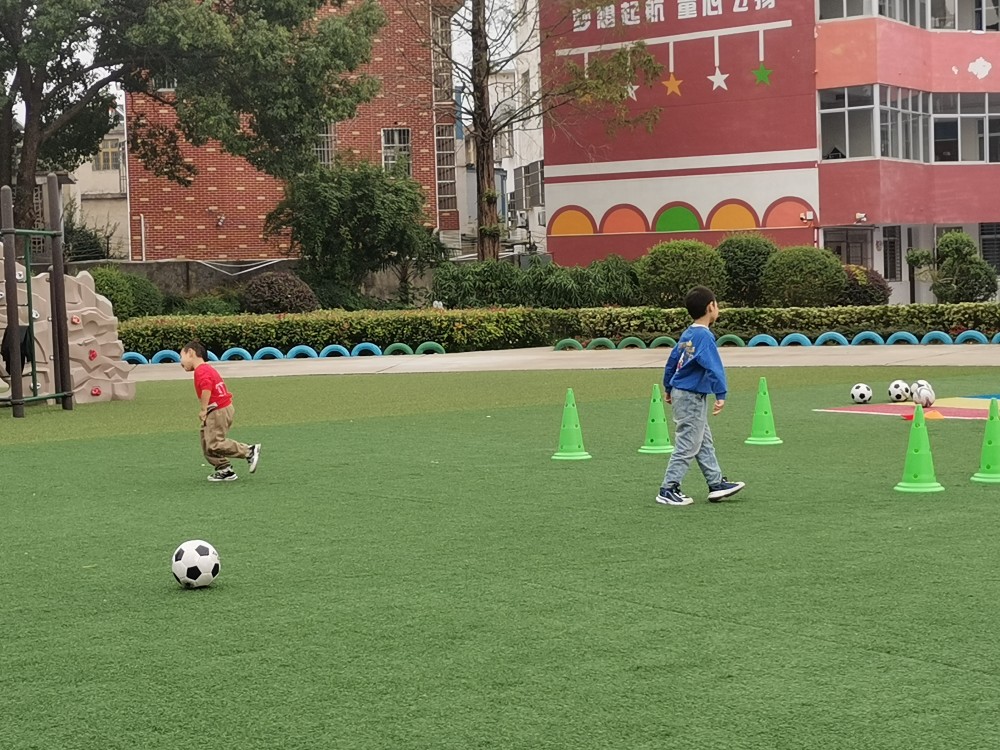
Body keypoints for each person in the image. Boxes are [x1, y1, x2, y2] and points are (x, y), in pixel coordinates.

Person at [656, 286, 744, 506]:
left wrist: (668, 386)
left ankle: (716, 483)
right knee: (688, 442)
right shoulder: (704, 336)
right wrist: (721, 393)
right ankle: (668, 488)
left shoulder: (689, 333)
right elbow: (713, 366)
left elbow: (673, 360)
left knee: (703, 440)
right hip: (691, 396)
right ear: (710, 307)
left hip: (682, 392)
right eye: (717, 304)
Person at [180, 340, 260, 482]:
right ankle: (224, 469)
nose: (180, 362)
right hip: (219, 408)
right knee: (207, 442)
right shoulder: (205, 369)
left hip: (218, 409)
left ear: (191, 353)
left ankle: (248, 451)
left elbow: (206, 388)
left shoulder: (201, 370)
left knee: (214, 443)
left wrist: (203, 409)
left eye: (182, 356)